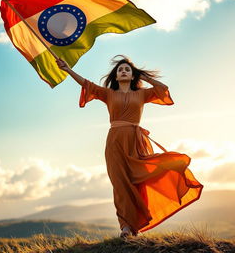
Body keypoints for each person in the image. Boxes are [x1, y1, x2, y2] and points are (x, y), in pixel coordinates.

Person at [56, 55, 203, 238]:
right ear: (116, 77)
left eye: (127, 69)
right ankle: (126, 227)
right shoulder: (109, 94)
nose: (123, 71)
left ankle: (137, 224)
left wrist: (145, 77)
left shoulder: (142, 94)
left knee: (138, 181)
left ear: (133, 76)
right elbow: (86, 84)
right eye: (120, 70)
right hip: (115, 143)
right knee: (120, 185)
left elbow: (162, 89)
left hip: (135, 142)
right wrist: (67, 69)